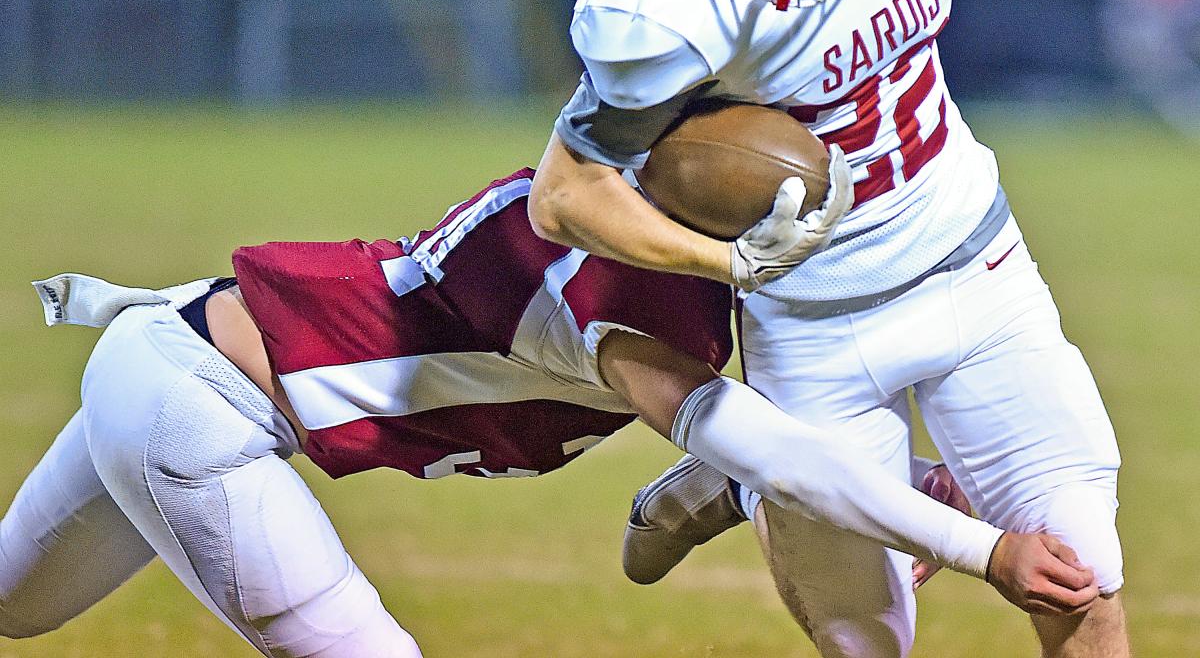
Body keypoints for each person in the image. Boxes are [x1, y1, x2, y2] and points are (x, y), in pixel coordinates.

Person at [527, 0, 1180, 658]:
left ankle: (736, 476)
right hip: (811, 328)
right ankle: (751, 472)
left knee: (1082, 584)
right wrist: (730, 266)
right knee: (867, 641)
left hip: (974, 267)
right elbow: (566, 194)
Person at [0, 169, 1096, 657]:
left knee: (14, 606)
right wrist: (981, 545)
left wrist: (874, 491)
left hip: (160, 353)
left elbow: (663, 527)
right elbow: (760, 444)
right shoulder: (603, 298)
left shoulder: (656, 259)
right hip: (195, 416)